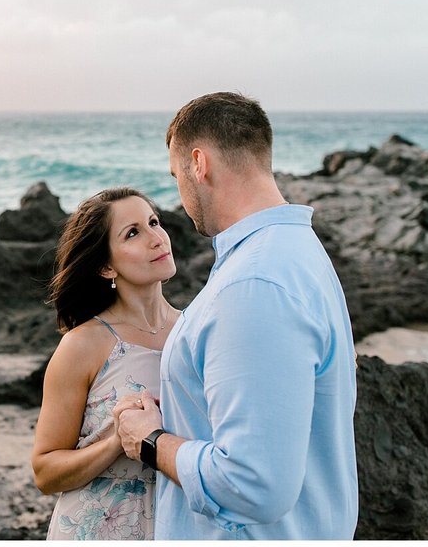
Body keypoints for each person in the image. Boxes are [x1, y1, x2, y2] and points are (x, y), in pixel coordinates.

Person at [114, 92, 359, 539]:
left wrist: (149, 441)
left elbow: (253, 484)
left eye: (176, 176)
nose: (181, 195)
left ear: (198, 163)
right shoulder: (297, 253)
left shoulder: (254, 284)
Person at [32, 187, 181, 540]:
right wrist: (118, 440)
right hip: (97, 531)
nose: (156, 238)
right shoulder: (83, 345)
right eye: (133, 232)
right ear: (105, 266)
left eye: (154, 222)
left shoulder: (196, 332)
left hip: (179, 527)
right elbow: (45, 471)